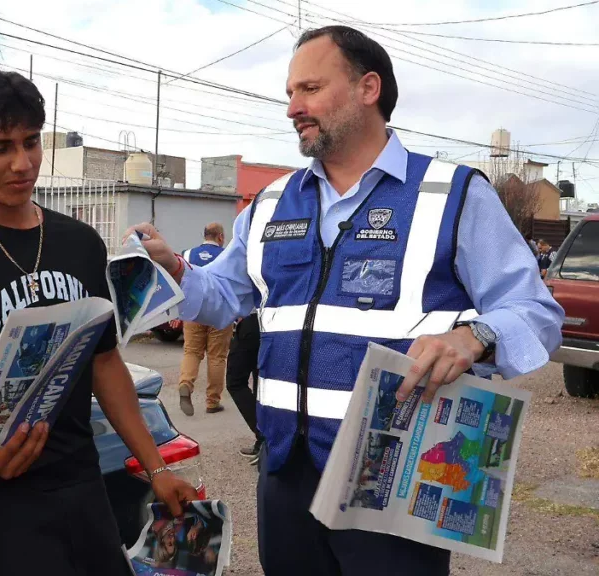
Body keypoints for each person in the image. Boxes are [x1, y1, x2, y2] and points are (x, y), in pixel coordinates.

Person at [127, 25, 563, 576]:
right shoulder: (271, 202)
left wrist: (474, 336)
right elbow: (222, 299)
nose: (292, 108)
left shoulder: (451, 193)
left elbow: (535, 310)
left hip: (394, 475)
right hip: (284, 468)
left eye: (308, 89)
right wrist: (175, 270)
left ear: (368, 88)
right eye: (289, 93)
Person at [0, 67, 198, 576]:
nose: (22, 163)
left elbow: (106, 364)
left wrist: (157, 468)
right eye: (1, 146)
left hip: (79, 486)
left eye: (32, 142)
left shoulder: (79, 243)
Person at [177, 223, 232, 416]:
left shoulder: (188, 254)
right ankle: (212, 402)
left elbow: (180, 280)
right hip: (220, 312)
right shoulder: (227, 256)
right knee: (217, 357)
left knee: (192, 351)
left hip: (193, 310)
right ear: (220, 237)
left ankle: (185, 384)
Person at [226, 310, 263, 464]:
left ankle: (264, 437)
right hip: (271, 320)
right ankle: (263, 441)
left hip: (252, 318)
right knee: (261, 382)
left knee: (235, 382)